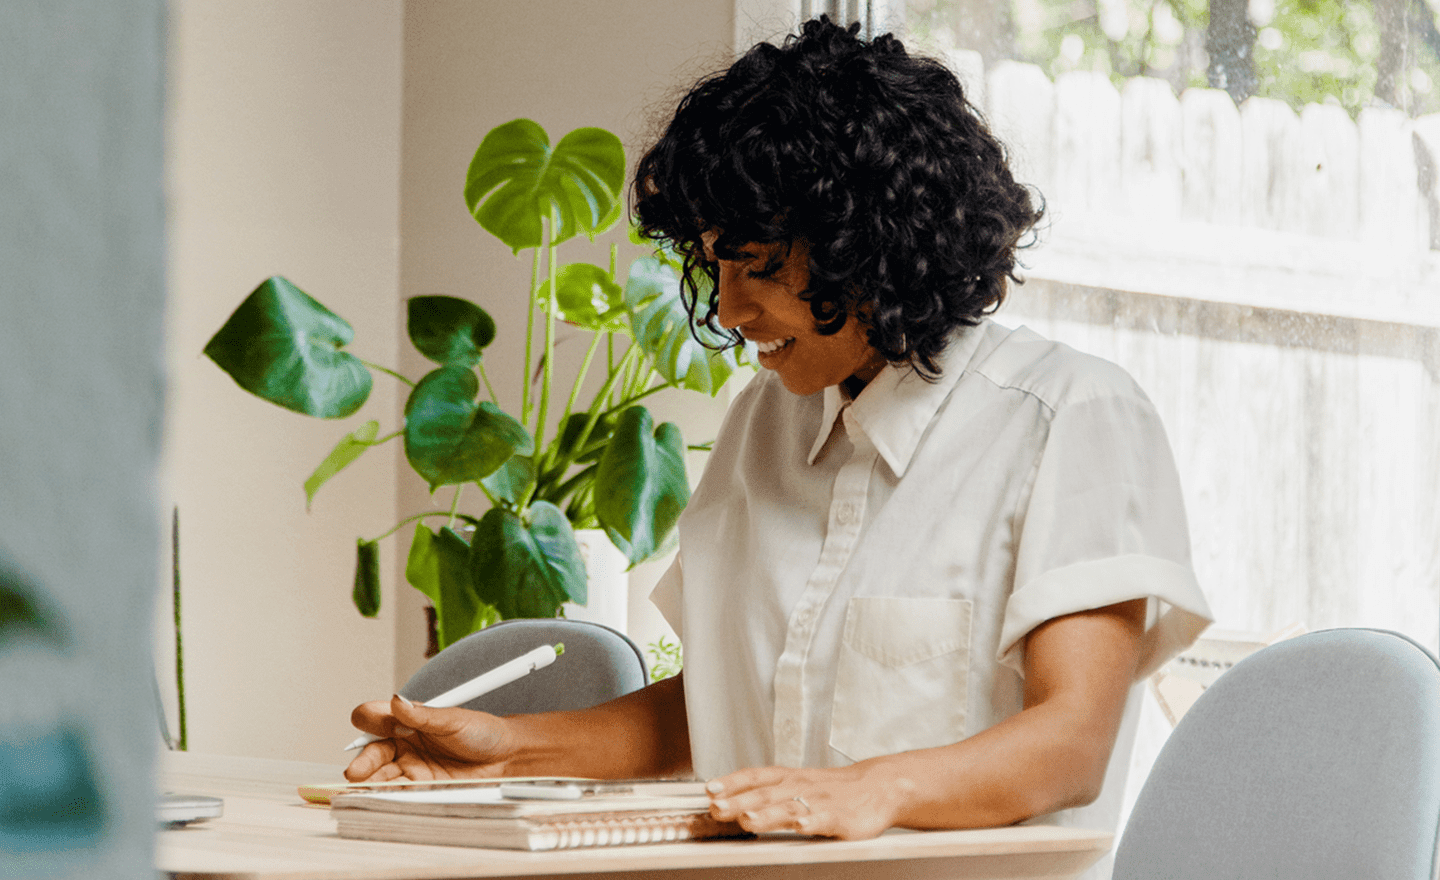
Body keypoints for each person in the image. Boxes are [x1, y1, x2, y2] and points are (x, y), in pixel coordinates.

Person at [345, 16, 1213, 865]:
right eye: (715, 264)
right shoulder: (764, 422)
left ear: (867, 243)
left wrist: (875, 789)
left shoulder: (1070, 416)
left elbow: (1071, 743)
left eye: (756, 265)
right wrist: (508, 749)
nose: (726, 311)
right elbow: (712, 711)